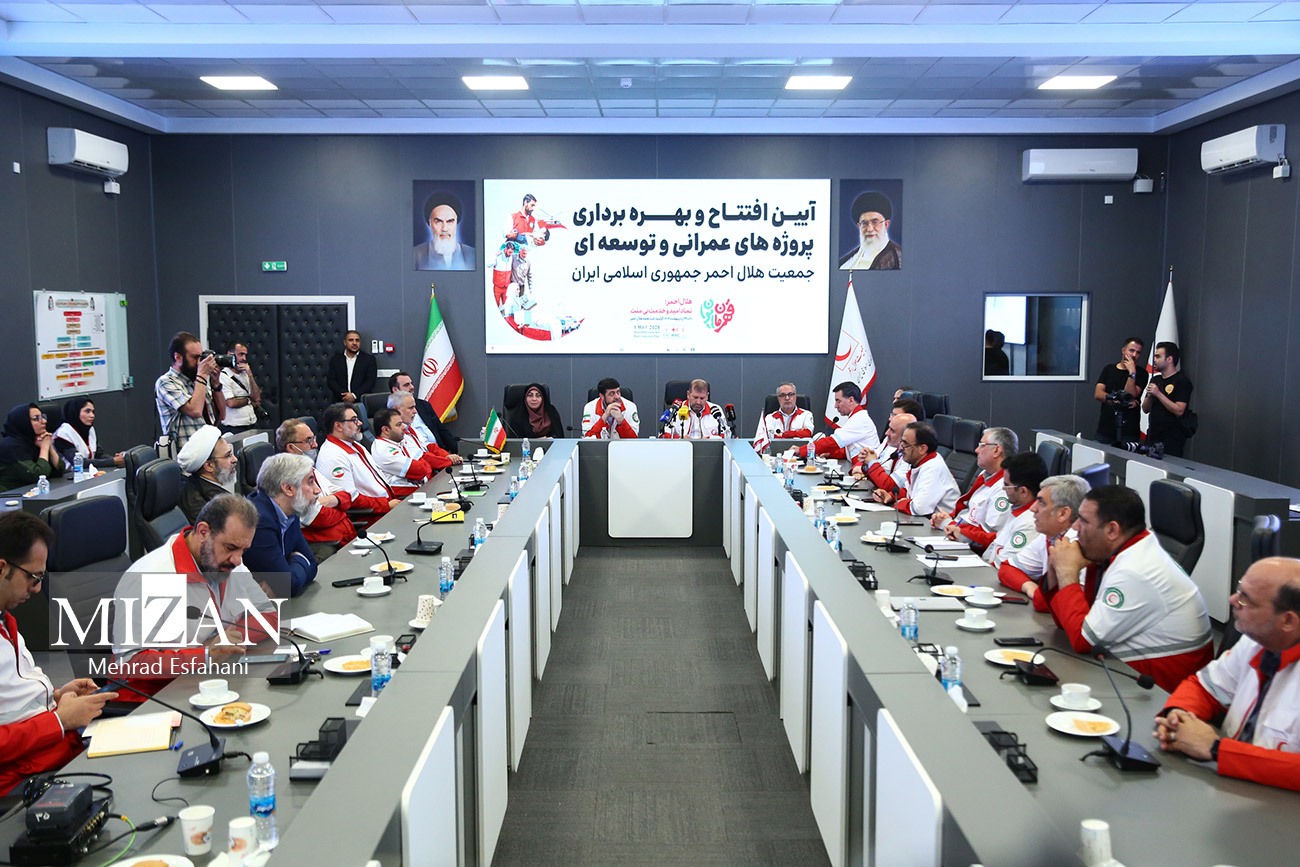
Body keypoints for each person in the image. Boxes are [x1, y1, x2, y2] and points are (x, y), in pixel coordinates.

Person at [1042, 484, 1213, 691]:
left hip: (1161, 691)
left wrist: (1067, 574)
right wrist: (1055, 569)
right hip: (1128, 670)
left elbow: (1082, 639)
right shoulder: (1120, 551)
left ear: (1112, 530)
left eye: (1084, 521)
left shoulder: (1135, 570)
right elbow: (1066, 624)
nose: (1076, 527)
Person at [111, 495, 279, 700]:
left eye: (243, 550)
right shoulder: (146, 577)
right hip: (157, 696)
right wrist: (206, 655)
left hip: (211, 679)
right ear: (203, 532)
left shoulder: (230, 564)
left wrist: (227, 642)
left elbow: (268, 616)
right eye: (230, 548)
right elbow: (131, 663)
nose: (237, 559)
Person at [1155, 557, 1300, 792]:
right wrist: (1178, 716)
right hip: (1234, 787)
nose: (1233, 600)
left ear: (1288, 620)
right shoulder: (1257, 641)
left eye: (1246, 599)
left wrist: (1215, 749)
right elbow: (1204, 687)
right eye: (1239, 590)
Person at [0, 512, 117, 794]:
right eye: (33, 577)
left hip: (55, 752)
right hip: (23, 780)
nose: (38, 588)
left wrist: (55, 695)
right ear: (2, 568)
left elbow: (11, 695)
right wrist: (58, 720)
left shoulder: (5, 619)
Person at [998, 474, 1087, 610]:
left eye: (1041, 502)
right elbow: (1006, 569)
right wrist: (1030, 587)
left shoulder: (1079, 547)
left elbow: (1049, 605)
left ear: (1063, 514)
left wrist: (1039, 595)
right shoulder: (1051, 536)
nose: (1032, 508)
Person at [930, 427, 1017, 554]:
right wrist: (947, 519)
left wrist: (947, 524)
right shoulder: (985, 474)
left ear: (996, 450)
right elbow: (970, 514)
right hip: (957, 538)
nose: (976, 450)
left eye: (982, 445)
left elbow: (989, 538)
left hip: (973, 552)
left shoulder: (1004, 489)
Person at [275, 419, 356, 551]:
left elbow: (346, 496)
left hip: (348, 539)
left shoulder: (310, 469)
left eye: (314, 439)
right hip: (329, 548)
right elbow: (320, 517)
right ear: (291, 448)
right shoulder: (288, 479)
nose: (315, 444)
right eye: (309, 440)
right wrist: (341, 509)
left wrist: (333, 500)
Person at [244, 453, 318, 597]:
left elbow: (313, 564)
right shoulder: (258, 522)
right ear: (288, 489)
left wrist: (292, 570)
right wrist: (299, 560)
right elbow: (289, 585)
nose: (317, 490)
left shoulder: (291, 511)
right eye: (310, 482)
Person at [315, 403, 398, 517]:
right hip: (372, 516)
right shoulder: (333, 456)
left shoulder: (354, 444)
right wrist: (386, 505)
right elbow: (350, 499)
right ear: (338, 426)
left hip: (386, 507)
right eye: (354, 420)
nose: (360, 423)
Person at [155, 331, 225, 452]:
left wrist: (216, 384)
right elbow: (195, 411)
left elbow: (222, 415)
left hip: (208, 448)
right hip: (186, 453)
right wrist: (202, 375)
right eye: (195, 357)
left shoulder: (198, 381)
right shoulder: (166, 382)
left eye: (201, 357)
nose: (200, 362)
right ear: (178, 357)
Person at [871, 422, 959, 516]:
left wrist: (900, 503)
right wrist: (891, 496)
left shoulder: (933, 468)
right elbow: (910, 491)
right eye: (901, 442)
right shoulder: (920, 462)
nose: (900, 448)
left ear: (922, 449)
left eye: (905, 444)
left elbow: (919, 509)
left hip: (936, 523)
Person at [978, 451, 1045, 568]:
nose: (1003, 489)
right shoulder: (1017, 509)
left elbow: (1002, 567)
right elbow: (997, 539)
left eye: (1006, 485)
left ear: (1023, 491)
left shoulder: (1030, 524)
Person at [793, 381, 880, 463]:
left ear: (851, 400)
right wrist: (830, 454)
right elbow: (850, 450)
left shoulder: (859, 419)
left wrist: (800, 450)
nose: (835, 406)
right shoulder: (857, 417)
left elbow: (832, 442)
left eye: (838, 401)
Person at [176, 425, 239, 524]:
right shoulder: (205, 505)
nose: (235, 459)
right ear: (209, 466)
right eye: (228, 455)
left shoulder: (198, 486)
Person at [370, 408, 438, 497]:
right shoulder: (382, 450)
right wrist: (424, 465)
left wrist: (424, 465)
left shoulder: (398, 440)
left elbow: (423, 459)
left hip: (421, 489)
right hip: (403, 497)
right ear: (386, 430)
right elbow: (420, 470)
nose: (403, 427)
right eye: (398, 425)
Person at [1142, 340, 1193, 457]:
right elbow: (1145, 409)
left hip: (1171, 439)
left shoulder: (1182, 381)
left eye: (1158, 356)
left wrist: (1158, 394)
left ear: (1169, 359)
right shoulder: (1155, 379)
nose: (1154, 360)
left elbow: (1179, 410)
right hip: (1152, 435)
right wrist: (1150, 395)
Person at [1093, 336, 1147, 444]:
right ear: (1123, 350)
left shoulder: (1141, 373)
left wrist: (1132, 372)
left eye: (1138, 352)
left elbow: (1130, 394)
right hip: (1106, 429)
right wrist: (1113, 399)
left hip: (1129, 431)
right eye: (1131, 350)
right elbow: (1098, 394)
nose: (1134, 355)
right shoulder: (1109, 369)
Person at [0, 404, 66, 491]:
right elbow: (38, 475)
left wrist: (49, 445)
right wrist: (44, 448)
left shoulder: (34, 440)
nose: (44, 421)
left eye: (43, 417)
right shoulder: (11, 446)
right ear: (23, 422)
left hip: (32, 492)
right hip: (10, 495)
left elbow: (60, 469)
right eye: (36, 419)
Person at [389, 371, 458, 453]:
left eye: (411, 383)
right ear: (395, 390)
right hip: (417, 453)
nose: (412, 387)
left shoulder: (423, 405)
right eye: (406, 385)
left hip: (438, 450)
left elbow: (440, 428)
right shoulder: (389, 412)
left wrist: (454, 450)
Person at [389, 393, 460, 470]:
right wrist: (448, 461)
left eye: (415, 407)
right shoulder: (395, 435)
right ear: (396, 409)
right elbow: (422, 457)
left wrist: (447, 456)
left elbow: (429, 446)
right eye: (411, 408)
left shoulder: (410, 428)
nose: (415, 411)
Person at [52, 398, 125, 470]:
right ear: (75, 412)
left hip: (88, 472)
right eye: (87, 411)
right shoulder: (63, 433)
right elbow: (80, 462)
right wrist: (113, 461)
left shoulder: (89, 429)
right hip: (70, 475)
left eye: (93, 412)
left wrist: (118, 459)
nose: (92, 415)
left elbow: (99, 454)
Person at [838, 191, 901, 271]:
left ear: (886, 224)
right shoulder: (848, 260)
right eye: (864, 223)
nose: (870, 229)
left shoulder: (897, 259)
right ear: (859, 226)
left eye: (875, 222)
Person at [414, 190, 475, 270]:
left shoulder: (473, 254)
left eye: (450, 221)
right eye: (438, 221)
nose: (444, 228)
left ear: (456, 223)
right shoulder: (414, 255)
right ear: (430, 223)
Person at [854, 412, 914, 490]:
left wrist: (872, 462)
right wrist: (866, 463)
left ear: (906, 436)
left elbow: (890, 485)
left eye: (892, 431)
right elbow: (879, 478)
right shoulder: (895, 448)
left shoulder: (910, 457)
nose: (886, 433)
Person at [752, 382, 814, 452]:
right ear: (778, 398)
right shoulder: (770, 418)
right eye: (782, 395)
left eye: (790, 394)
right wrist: (797, 434)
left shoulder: (806, 415)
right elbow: (769, 437)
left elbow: (808, 433)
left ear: (795, 397)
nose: (787, 398)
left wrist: (784, 434)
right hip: (776, 453)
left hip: (799, 453)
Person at [219, 341, 263, 434]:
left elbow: (257, 398)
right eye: (241, 354)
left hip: (251, 423)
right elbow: (231, 403)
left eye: (245, 355)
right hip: (234, 427)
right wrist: (249, 401)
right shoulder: (223, 376)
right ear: (230, 355)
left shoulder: (245, 374)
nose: (244, 358)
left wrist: (250, 375)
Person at [326, 331, 377, 404]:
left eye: (357, 340)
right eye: (351, 340)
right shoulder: (336, 360)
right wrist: (345, 395)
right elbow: (331, 381)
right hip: (340, 400)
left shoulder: (369, 360)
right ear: (345, 342)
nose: (354, 343)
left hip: (361, 401)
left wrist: (354, 395)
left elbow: (370, 381)